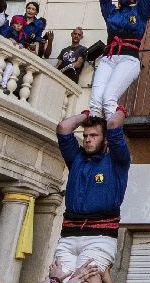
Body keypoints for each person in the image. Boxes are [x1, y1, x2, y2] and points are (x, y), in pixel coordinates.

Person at [53, 109, 131, 274]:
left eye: (94, 135)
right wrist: (86, 116)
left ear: (105, 139)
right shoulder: (76, 158)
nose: (88, 139)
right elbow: (63, 128)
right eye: (86, 135)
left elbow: (113, 125)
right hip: (68, 236)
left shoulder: (116, 161)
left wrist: (121, 111)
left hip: (100, 237)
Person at [89, 0, 150, 118]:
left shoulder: (141, 10)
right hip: (108, 58)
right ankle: (95, 133)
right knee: (95, 101)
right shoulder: (111, 12)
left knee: (109, 98)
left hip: (128, 59)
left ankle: (112, 136)